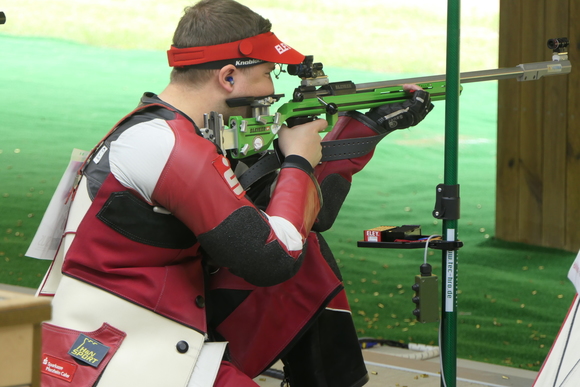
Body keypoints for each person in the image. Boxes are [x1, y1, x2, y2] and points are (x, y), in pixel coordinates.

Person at [37, 1, 433, 386]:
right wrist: (296, 162)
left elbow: (309, 219)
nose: (273, 89)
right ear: (229, 77)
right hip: (115, 346)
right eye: (267, 74)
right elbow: (273, 257)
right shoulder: (168, 146)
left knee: (309, 254)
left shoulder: (173, 133)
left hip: (151, 322)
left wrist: (364, 129)